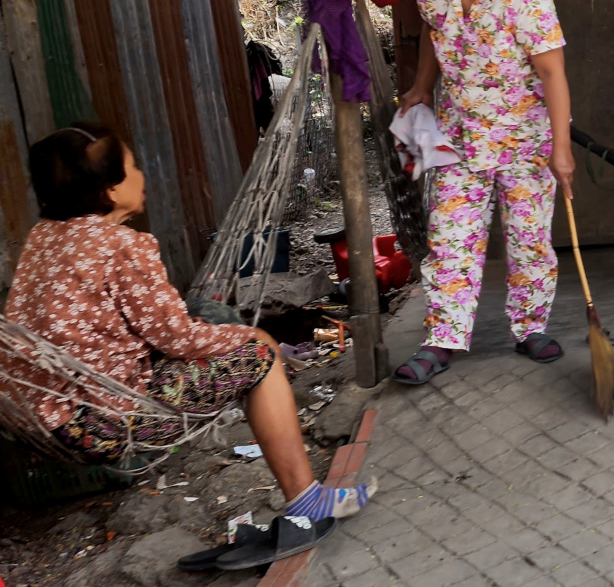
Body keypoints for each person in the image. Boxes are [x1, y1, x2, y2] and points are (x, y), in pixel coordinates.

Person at [4, 123, 372, 523]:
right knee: (257, 357)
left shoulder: (43, 238)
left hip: (41, 415)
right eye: (133, 166)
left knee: (214, 323)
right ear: (110, 188)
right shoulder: (118, 245)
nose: (142, 174)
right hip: (102, 421)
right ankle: (307, 500)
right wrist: (253, 334)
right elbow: (177, 337)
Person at [393, 0, 574, 385]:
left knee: (528, 241)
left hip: (524, 143)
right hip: (458, 137)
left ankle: (530, 327)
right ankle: (442, 340)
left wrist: (560, 149)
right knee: (449, 240)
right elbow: (433, 32)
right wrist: (422, 86)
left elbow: (553, 75)